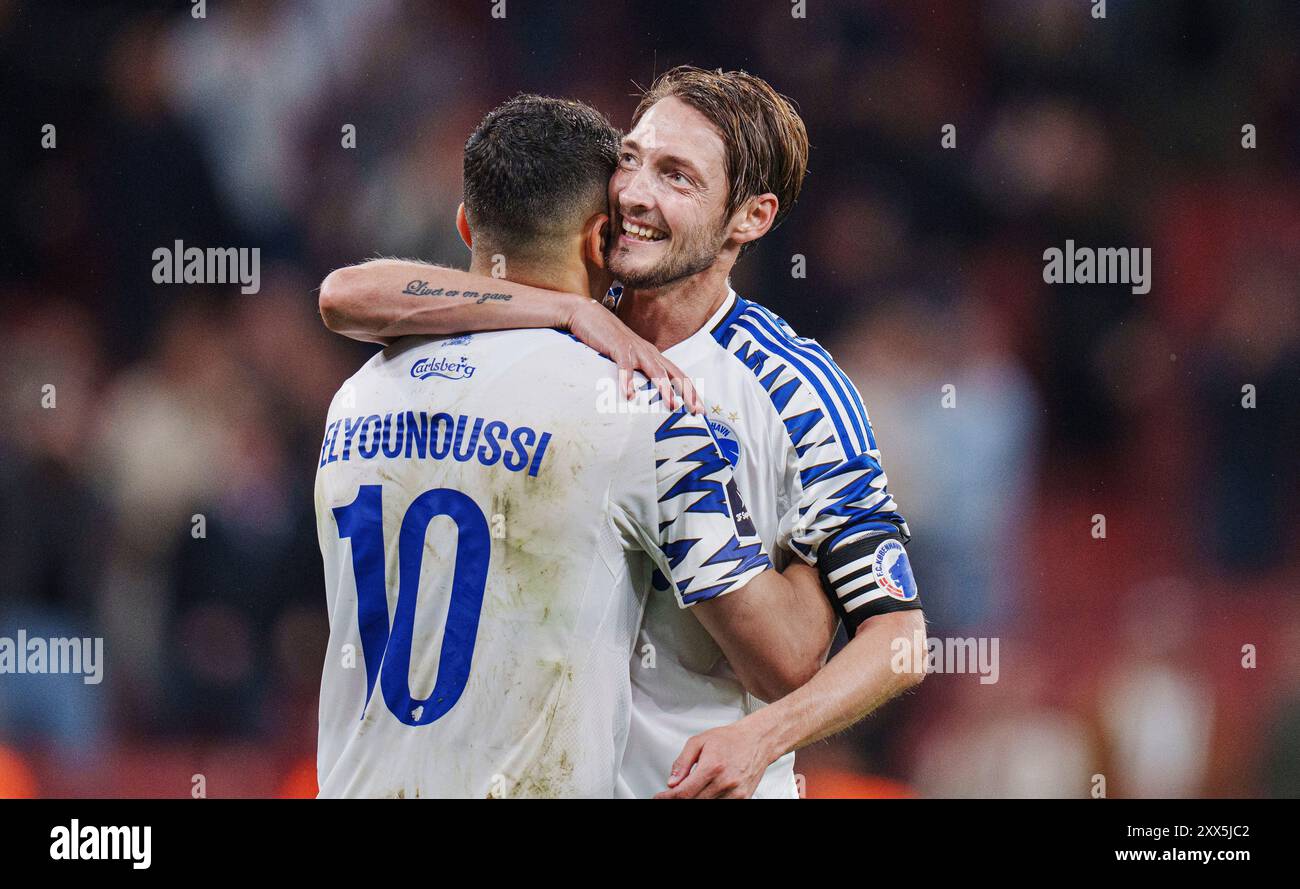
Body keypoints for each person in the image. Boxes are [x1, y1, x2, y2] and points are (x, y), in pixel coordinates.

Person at [320, 68, 927, 799]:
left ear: (751, 218)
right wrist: (564, 312)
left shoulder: (792, 387)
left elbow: (901, 642)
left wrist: (763, 736)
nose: (636, 192)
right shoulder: (560, 332)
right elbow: (349, 294)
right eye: (632, 158)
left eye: (676, 176)